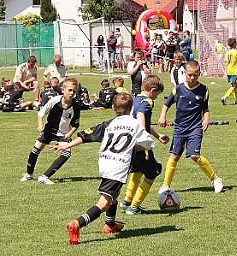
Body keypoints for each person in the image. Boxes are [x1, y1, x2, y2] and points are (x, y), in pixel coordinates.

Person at [51, 92, 155, 244]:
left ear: (113, 108)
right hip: (118, 167)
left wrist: (67, 145)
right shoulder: (135, 124)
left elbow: (86, 135)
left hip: (105, 163)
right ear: (131, 109)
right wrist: (135, 147)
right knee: (104, 203)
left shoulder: (109, 124)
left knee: (113, 196)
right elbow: (148, 143)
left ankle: (110, 224)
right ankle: (77, 224)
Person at [157, 60, 223, 194]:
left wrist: (206, 118)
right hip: (180, 128)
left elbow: (205, 108)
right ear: (185, 73)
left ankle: (216, 179)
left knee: (194, 155)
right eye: (190, 75)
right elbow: (166, 104)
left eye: (195, 75)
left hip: (195, 128)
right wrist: (162, 115)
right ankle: (165, 185)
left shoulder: (204, 90)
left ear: (199, 74)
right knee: (174, 156)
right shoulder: (178, 89)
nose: (192, 78)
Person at [119, 75, 169, 214]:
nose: (157, 97)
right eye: (157, 94)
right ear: (152, 90)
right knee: (152, 173)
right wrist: (142, 136)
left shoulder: (135, 99)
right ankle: (134, 207)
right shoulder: (147, 101)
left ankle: (126, 201)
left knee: (139, 171)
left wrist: (158, 135)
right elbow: (141, 116)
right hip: (141, 145)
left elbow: (144, 122)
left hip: (132, 145)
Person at [20, 78, 81, 185]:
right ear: (63, 90)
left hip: (63, 134)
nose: (72, 93)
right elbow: (41, 113)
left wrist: (70, 133)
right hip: (49, 130)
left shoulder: (76, 106)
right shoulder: (55, 100)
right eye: (70, 90)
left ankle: (44, 177)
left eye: (74, 91)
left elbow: (76, 124)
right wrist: (40, 125)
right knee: (35, 150)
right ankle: (29, 174)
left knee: (67, 153)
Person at [220, 38, 237, 105]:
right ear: (235, 44)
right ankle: (224, 97)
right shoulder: (236, 52)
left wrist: (225, 72)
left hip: (229, 71)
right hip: (234, 71)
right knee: (234, 86)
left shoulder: (227, 52)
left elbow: (226, 63)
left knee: (235, 84)